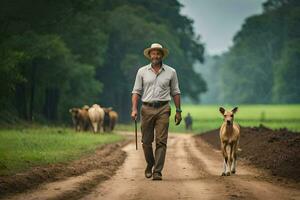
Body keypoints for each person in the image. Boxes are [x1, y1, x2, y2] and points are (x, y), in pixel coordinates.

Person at [131, 43, 182, 181]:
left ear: (162, 55)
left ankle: (157, 171)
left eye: (158, 53)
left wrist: (178, 111)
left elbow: (176, 92)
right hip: (146, 108)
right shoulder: (142, 71)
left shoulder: (171, 72)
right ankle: (150, 163)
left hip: (163, 109)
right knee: (146, 141)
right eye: (153, 53)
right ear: (150, 55)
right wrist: (134, 109)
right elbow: (136, 92)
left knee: (161, 141)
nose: (156, 56)